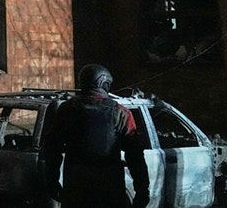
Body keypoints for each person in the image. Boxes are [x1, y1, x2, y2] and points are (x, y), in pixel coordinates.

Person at [43, 64, 150, 208]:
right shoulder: (120, 112)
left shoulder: (66, 110)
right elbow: (135, 155)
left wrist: (52, 181)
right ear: (102, 83)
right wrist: (142, 191)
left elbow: (52, 148)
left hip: (76, 186)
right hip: (109, 188)